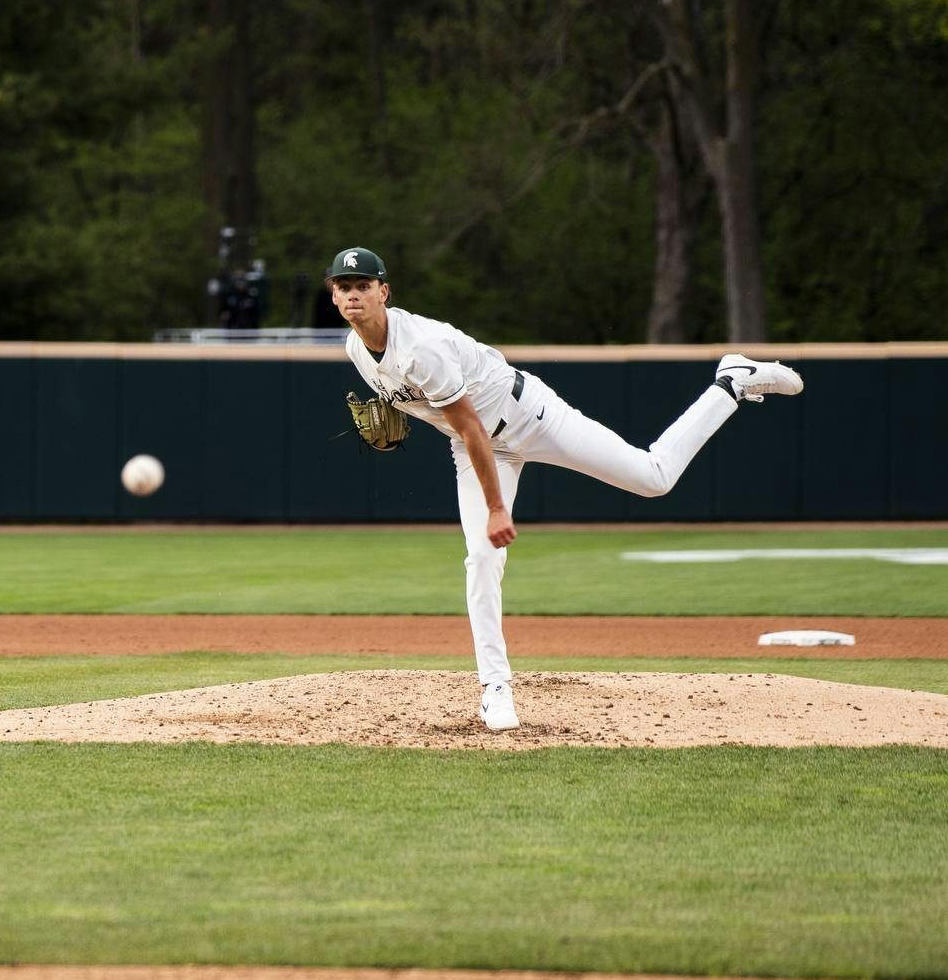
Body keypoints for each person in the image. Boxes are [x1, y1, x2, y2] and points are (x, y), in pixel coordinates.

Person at [325, 247, 804, 731]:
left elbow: (470, 426)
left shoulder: (420, 347)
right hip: (477, 448)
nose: (353, 295)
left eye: (363, 285)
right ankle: (495, 687)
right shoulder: (355, 349)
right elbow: (456, 428)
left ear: (384, 292)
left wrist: (496, 508)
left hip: (530, 417)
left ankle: (732, 382)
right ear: (334, 295)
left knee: (653, 478)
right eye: (344, 287)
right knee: (482, 558)